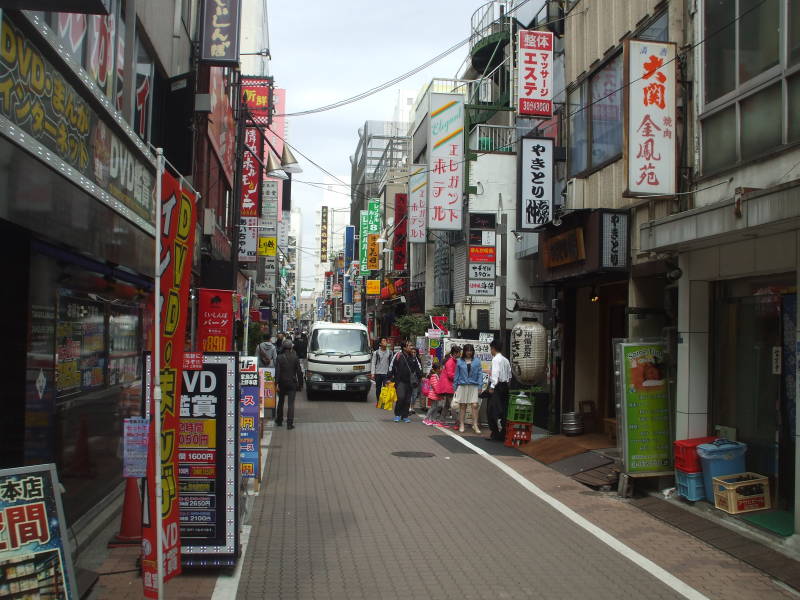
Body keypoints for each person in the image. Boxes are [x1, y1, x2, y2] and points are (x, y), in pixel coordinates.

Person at [388, 340, 421, 423]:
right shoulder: (398, 355)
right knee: (401, 397)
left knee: (407, 399)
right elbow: (391, 366)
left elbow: (418, 367)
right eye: (409, 346)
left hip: (410, 382)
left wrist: (421, 376)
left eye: (411, 345)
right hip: (400, 381)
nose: (411, 347)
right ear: (404, 347)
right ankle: (397, 415)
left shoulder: (413, 357)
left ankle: (405, 416)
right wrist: (388, 378)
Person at [453, 343, 483, 434]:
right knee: (463, 406)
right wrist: (455, 387)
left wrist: (480, 386)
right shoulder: (459, 361)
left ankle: (475, 425)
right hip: (462, 385)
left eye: (471, 351)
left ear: (473, 351)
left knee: (474, 405)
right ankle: (462, 424)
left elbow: (480, 374)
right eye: (467, 350)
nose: (469, 352)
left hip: (473, 385)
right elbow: (456, 375)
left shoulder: (477, 361)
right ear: (464, 351)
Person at [274, 339, 304, 429]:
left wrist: (276, 383)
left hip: (282, 382)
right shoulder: (295, 357)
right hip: (292, 382)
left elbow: (277, 372)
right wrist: (300, 384)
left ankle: (279, 420)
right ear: (291, 347)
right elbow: (299, 372)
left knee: (281, 402)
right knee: (291, 403)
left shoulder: (279, 357)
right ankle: (289, 424)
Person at [487, 339, 512, 441]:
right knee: (503, 410)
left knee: (491, 410)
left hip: (497, 386)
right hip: (505, 386)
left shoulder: (495, 359)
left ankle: (495, 433)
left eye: (491, 349)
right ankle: (503, 433)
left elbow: (495, 374)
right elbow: (510, 375)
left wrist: (492, 387)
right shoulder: (505, 360)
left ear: (493, 349)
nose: (490, 351)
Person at [435, 345, 461, 426]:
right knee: (452, 405)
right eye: (459, 352)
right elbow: (450, 375)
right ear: (455, 353)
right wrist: (459, 378)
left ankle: (441, 420)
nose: (460, 354)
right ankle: (457, 422)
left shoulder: (452, 360)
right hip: (448, 386)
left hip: (448, 385)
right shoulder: (450, 362)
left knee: (447, 404)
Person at [370, 338, 392, 404]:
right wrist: (373, 373)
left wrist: (391, 373)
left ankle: (384, 402)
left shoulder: (390, 352)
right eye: (384, 341)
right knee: (378, 389)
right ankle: (379, 401)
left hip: (386, 373)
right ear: (380, 344)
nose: (385, 342)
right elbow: (373, 363)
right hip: (378, 373)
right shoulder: (376, 353)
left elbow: (392, 364)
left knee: (385, 388)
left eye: (386, 340)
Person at [422, 361, 443, 426]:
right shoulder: (434, 376)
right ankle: (426, 419)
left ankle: (433, 419)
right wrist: (439, 392)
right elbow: (435, 386)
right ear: (437, 369)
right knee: (433, 407)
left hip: (436, 394)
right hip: (434, 394)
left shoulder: (437, 376)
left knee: (436, 407)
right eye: (440, 368)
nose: (441, 369)